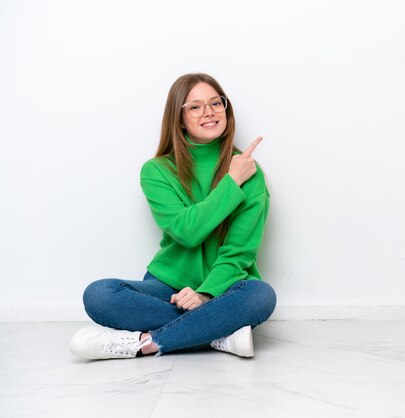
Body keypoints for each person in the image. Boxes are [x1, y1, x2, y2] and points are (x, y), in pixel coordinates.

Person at [69, 73, 276, 360]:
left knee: (260, 296)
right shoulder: (156, 171)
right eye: (195, 106)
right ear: (178, 118)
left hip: (223, 286)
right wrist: (230, 183)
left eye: (217, 103)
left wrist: (206, 295)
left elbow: (238, 253)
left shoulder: (249, 172)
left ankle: (144, 344)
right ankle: (217, 332)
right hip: (166, 286)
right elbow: (187, 232)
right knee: (99, 294)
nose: (209, 112)